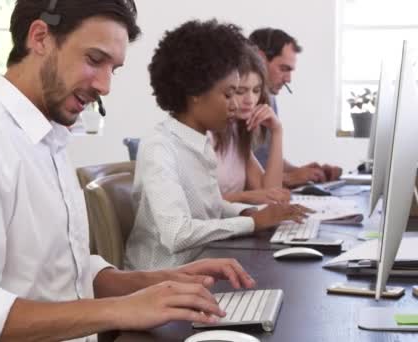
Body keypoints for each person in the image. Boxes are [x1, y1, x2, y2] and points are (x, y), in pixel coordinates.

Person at [0, 2, 256, 341]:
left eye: (112, 69)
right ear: (40, 37)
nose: (105, 86)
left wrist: (160, 281)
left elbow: (64, 273)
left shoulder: (43, 140)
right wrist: (120, 311)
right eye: (94, 60)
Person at [123, 20, 311, 272]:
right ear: (195, 92)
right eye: (229, 94)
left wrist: (251, 213)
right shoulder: (160, 147)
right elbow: (177, 233)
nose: (236, 104)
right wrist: (253, 222)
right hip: (160, 280)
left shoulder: (198, 142)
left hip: (198, 268)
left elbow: (211, 206)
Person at [248, 28, 343, 188]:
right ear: (260, 58)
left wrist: (301, 171)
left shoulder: (269, 99)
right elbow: (240, 174)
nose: (288, 79)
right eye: (284, 69)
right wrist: (289, 178)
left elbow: (264, 158)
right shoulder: (240, 104)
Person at [213, 44, 290, 205]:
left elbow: (270, 195)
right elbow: (197, 207)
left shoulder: (234, 132)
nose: (250, 100)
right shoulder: (205, 133)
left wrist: (277, 131)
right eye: (241, 91)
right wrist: (244, 197)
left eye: (256, 90)